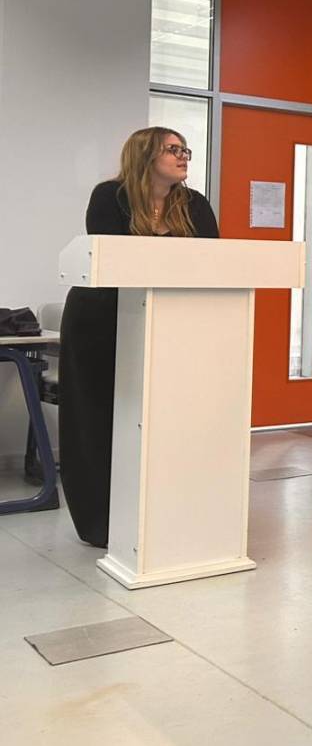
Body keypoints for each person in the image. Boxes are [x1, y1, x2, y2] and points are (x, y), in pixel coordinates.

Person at [59, 127, 218, 548]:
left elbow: (212, 259)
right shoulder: (109, 197)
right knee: (99, 417)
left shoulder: (194, 204)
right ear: (146, 154)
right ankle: (101, 523)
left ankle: (159, 516)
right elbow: (115, 260)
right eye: (173, 149)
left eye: (186, 150)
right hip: (101, 321)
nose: (184, 156)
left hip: (168, 322)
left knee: (160, 421)